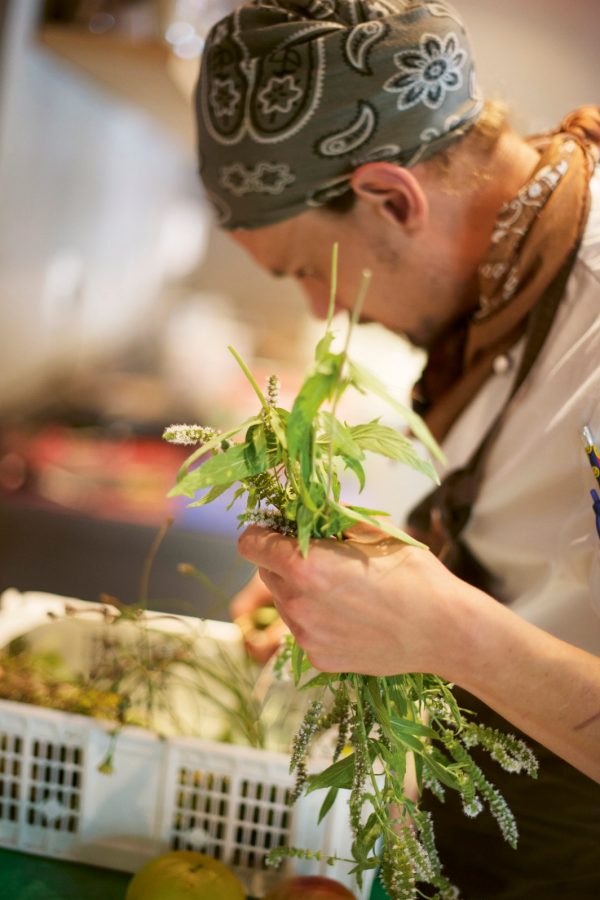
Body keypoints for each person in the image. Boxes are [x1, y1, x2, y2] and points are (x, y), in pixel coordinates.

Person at [194, 1, 600, 896]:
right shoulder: (506, 293)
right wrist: (367, 580)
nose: (318, 308)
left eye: (306, 266)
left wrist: (445, 632)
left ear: (391, 197)